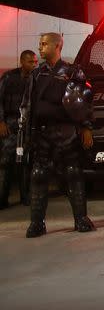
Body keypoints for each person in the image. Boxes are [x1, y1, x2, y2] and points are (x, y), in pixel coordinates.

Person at [22, 33, 95, 237]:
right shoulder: (37, 75)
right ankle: (37, 223)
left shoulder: (72, 72)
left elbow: (85, 101)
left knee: (73, 173)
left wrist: (86, 127)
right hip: (42, 133)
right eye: (40, 44)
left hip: (66, 131)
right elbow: (28, 104)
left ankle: (81, 219)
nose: (40, 48)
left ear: (57, 46)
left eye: (44, 44)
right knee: (38, 176)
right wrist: (27, 133)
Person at [0, 50, 37, 208]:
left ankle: (25, 196)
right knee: (5, 162)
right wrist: (1, 122)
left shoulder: (37, 79)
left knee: (25, 161)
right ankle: (2, 198)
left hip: (27, 127)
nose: (34, 65)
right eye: (31, 62)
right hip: (10, 125)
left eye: (35, 62)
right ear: (22, 62)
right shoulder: (8, 78)